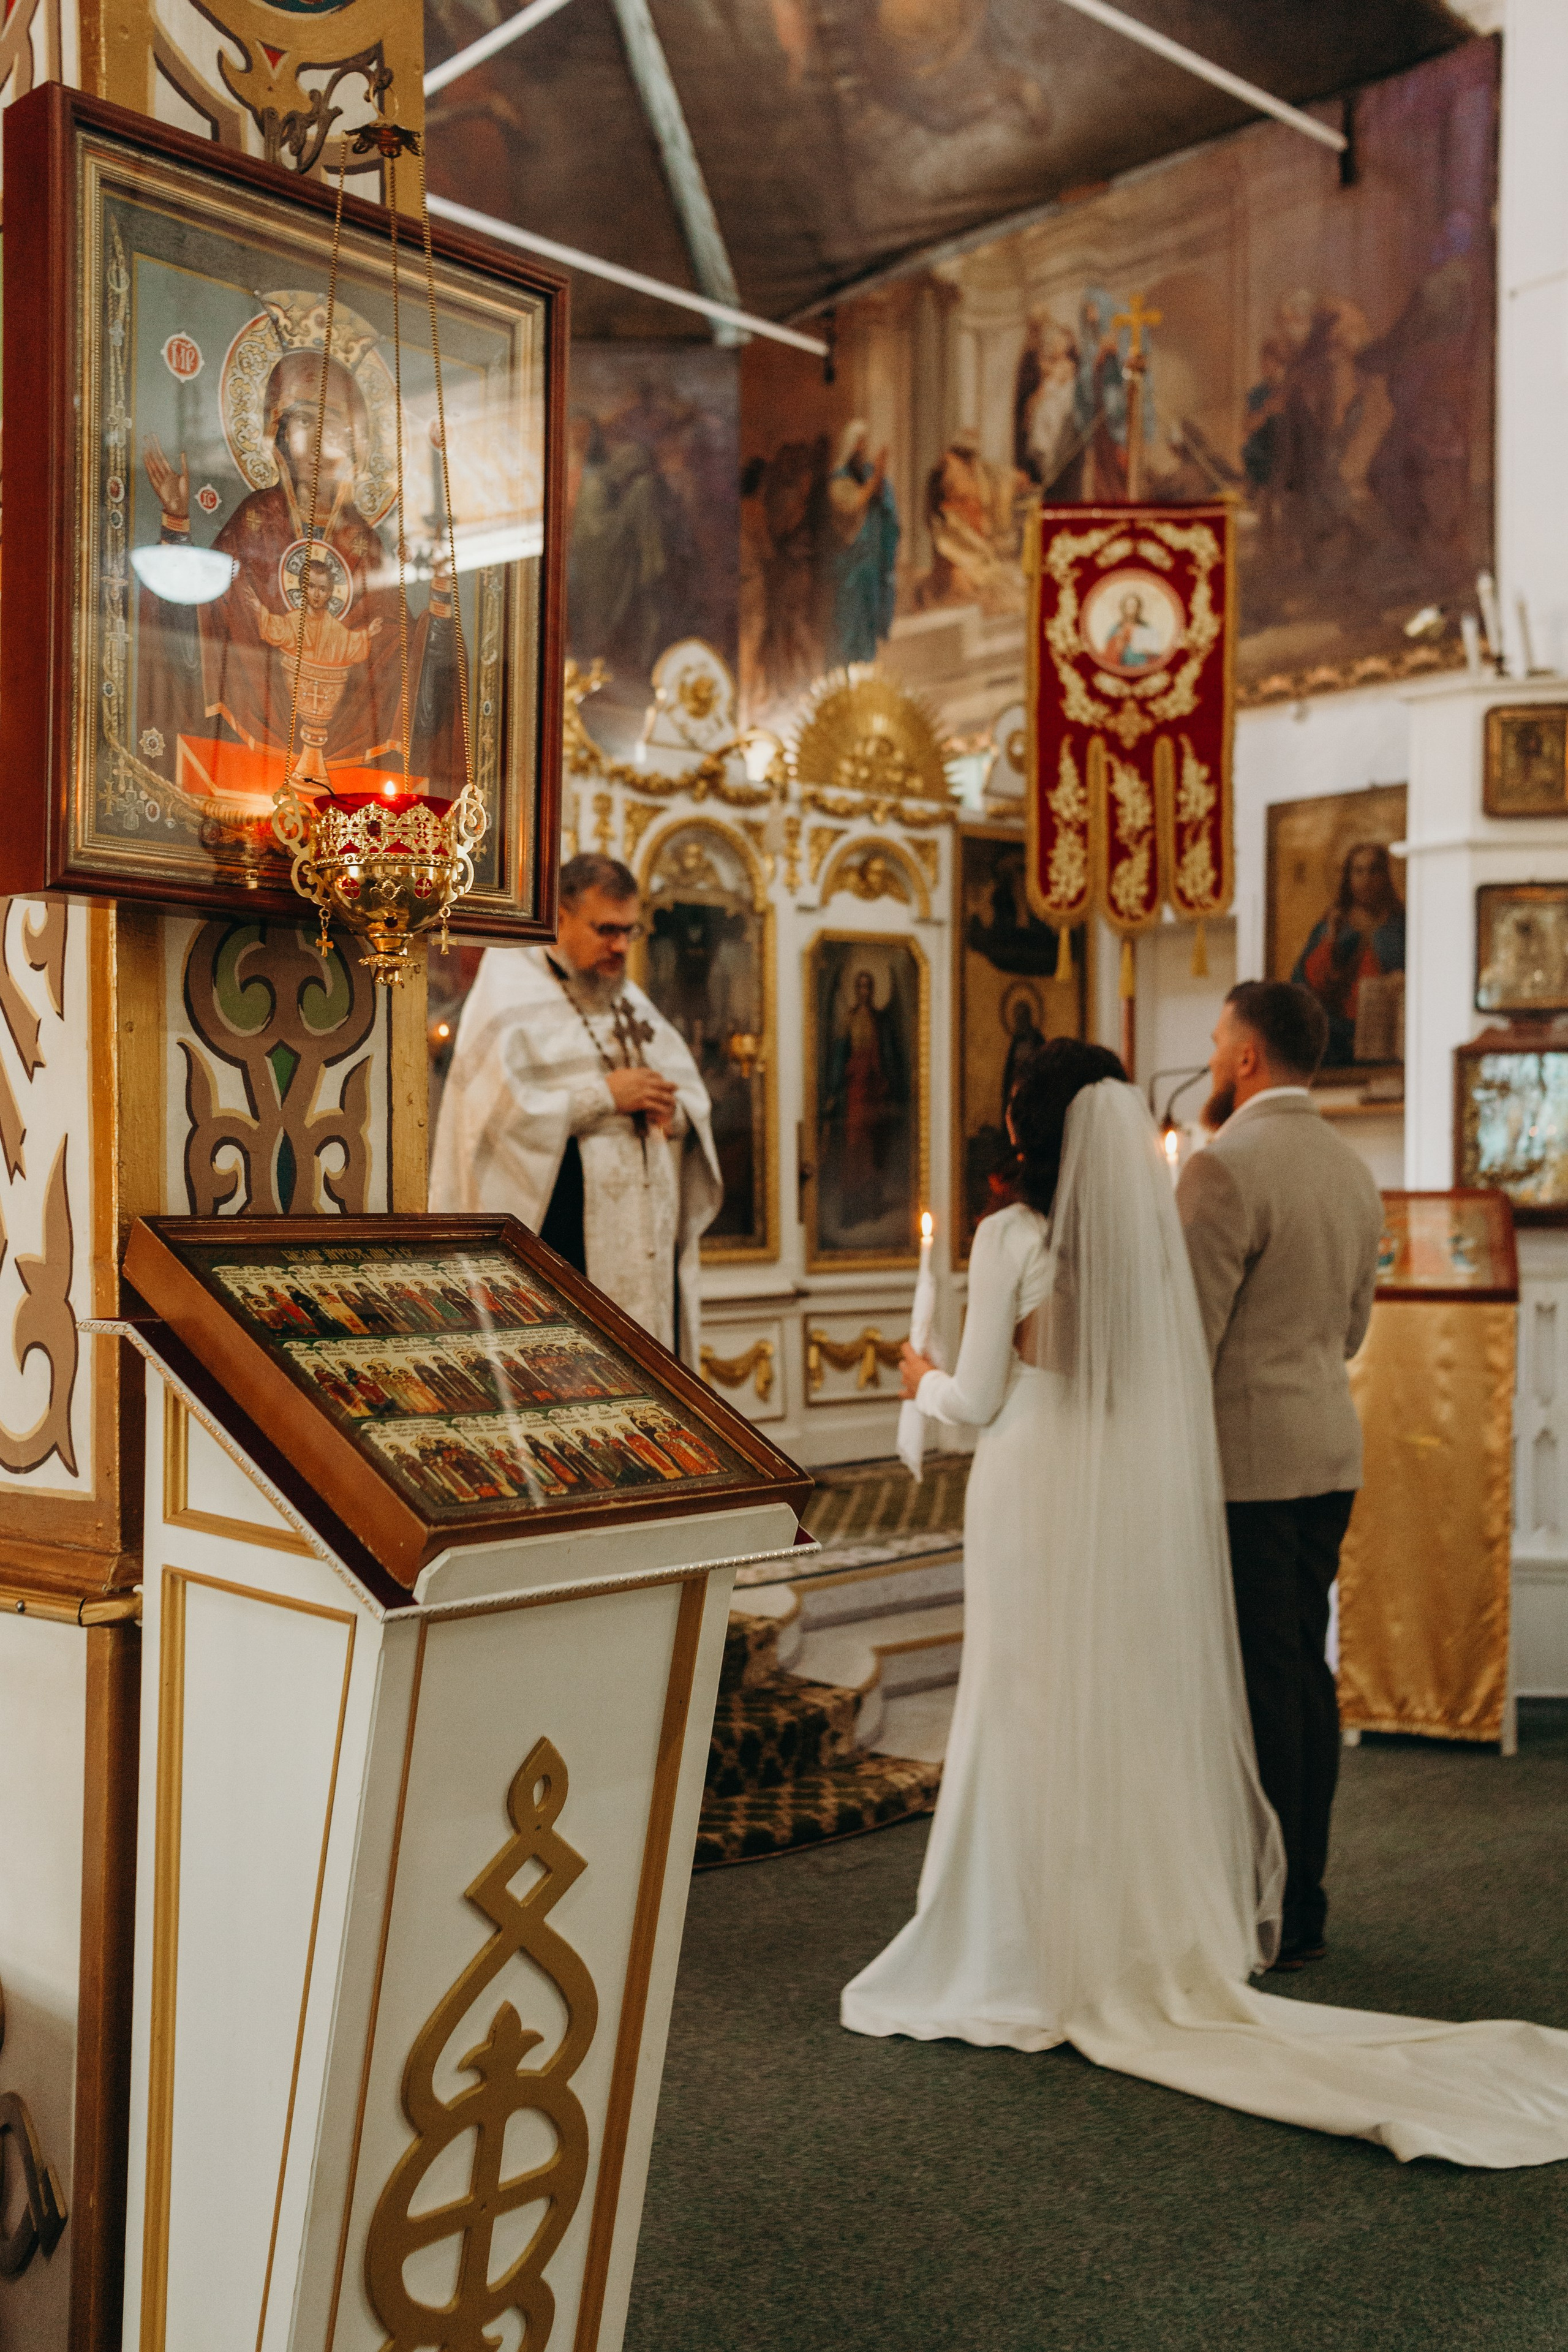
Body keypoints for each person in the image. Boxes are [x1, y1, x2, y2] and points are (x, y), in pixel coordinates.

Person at [843, 1037, 1568, 2166]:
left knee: (1025, 1704)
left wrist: (914, 1376)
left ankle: (1022, 1945)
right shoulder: (1136, 1245)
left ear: (1024, 1128)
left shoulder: (1008, 1236)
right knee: (1109, 1706)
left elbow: (980, 1397)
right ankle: (1123, 1935)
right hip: (1116, 1487)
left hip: (1033, 1487)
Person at [1177, 980, 1382, 1967]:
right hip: (1328, 1452)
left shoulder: (1224, 1169)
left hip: (1246, 1467)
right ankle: (1305, 1897)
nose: (1213, 1057)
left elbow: (1189, 1342)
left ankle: (1275, 1907)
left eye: (1219, 1041)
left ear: (1248, 1059)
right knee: (1303, 1669)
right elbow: (1351, 1331)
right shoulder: (1353, 1168)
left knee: (1264, 1688)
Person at [429, 854, 720, 1364]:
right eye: (607, 929)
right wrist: (605, 1097)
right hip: (560, 1238)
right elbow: (495, 1119)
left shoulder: (625, 998)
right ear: (558, 917)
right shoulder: (509, 990)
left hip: (645, 1246)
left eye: (631, 931)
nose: (621, 947)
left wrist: (672, 1114)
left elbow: (691, 1103)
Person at [1291, 844, 1406, 1066]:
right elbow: (1307, 984)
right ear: (1348, 877)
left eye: (1374, 871)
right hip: (1337, 1033)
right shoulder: (1332, 924)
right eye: (1359, 871)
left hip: (1386, 1030)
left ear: (1386, 876)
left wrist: (1402, 981)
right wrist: (1332, 937)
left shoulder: (1401, 925)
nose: (1366, 879)